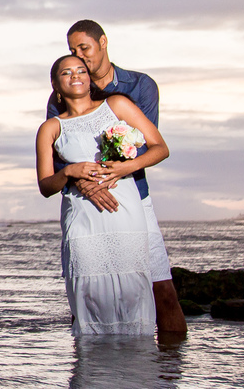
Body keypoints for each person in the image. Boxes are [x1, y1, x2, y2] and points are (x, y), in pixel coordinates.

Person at [45, 20, 187, 336]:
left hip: (134, 196)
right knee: (91, 294)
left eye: (84, 48)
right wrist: (84, 184)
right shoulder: (59, 100)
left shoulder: (138, 87)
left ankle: (168, 378)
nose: (79, 56)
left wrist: (113, 172)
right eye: (72, 51)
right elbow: (58, 161)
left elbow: (141, 144)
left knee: (160, 286)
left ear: (103, 42)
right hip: (83, 202)